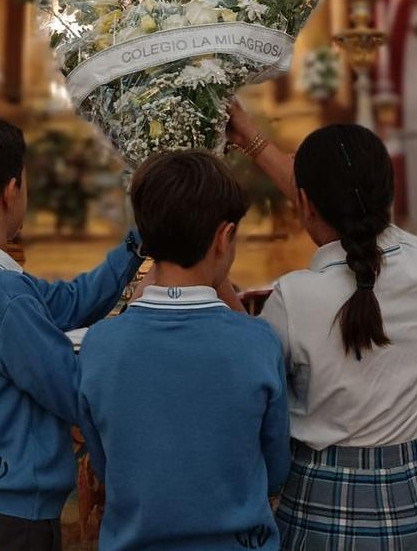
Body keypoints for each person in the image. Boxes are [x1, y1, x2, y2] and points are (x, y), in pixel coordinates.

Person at [228, 105, 417, 550]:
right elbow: (335, 205)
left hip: (323, 500)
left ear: (304, 203)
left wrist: (217, 279)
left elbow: (246, 363)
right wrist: (251, 138)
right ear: (386, 195)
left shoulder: (294, 299)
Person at [0, 112, 146, 551]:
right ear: (10, 190)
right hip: (3, 522)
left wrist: (136, 244)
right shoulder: (0, 295)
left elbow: (70, 302)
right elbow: (73, 390)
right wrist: (137, 320)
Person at [77, 150, 291, 551]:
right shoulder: (255, 342)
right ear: (224, 237)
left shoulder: (100, 345)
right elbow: (276, 469)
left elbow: (107, 467)